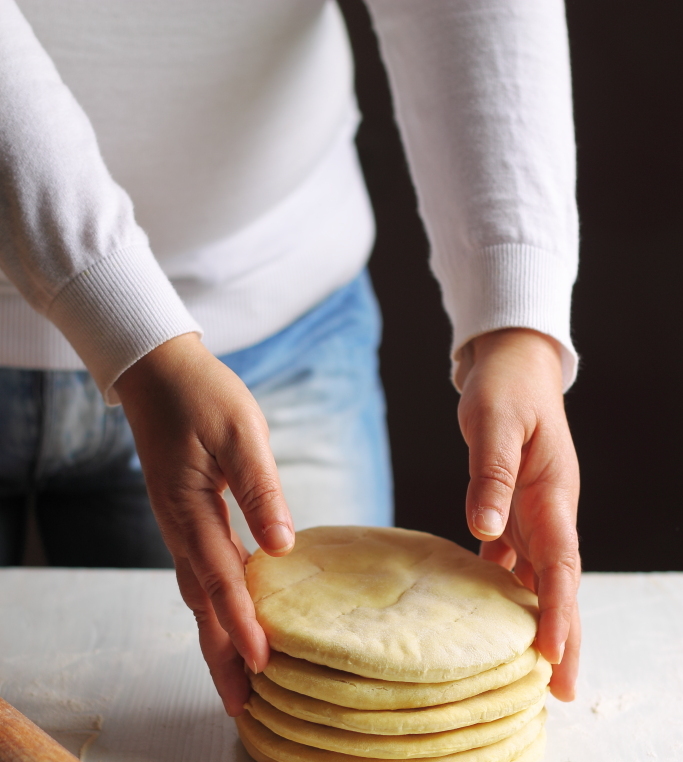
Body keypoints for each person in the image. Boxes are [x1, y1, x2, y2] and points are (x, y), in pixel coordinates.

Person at [0, 0, 580, 713]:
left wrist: (515, 318)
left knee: (331, 724)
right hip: (193, 355)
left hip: (278, 325)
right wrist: (132, 329)